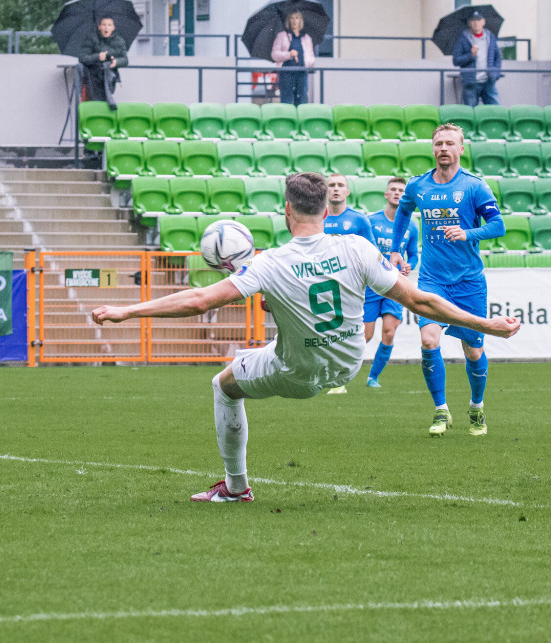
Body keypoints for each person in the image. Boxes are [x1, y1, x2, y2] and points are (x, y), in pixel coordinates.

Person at [92, 172, 519, 503]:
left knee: (224, 386)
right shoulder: (357, 248)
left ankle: (236, 487)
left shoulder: (270, 263)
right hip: (347, 365)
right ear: (326, 210)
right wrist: (486, 325)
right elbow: (421, 301)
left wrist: (127, 311)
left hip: (297, 371)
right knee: (271, 347)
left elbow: (199, 300)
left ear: (287, 210)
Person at [390, 123, 506, 437]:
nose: (443, 148)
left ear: (461, 149)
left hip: (469, 281)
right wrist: (395, 249)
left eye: (450, 143)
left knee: (473, 350)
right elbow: (403, 213)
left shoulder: (474, 186)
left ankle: (476, 407)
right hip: (432, 280)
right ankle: (441, 410)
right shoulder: (418, 185)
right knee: (429, 341)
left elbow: (498, 226)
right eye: (439, 143)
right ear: (433, 148)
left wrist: (468, 233)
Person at [321, 173, 373, 394]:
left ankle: (340, 377)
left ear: (347, 191)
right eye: (331, 185)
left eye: (340, 185)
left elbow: (371, 251)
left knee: (353, 333)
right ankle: (333, 377)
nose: (336, 188)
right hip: (323, 285)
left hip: (351, 286)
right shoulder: (317, 218)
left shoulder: (359, 220)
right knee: (326, 333)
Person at [365, 177, 419, 388]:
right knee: (365, 335)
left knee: (389, 331)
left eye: (401, 190)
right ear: (386, 194)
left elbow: (413, 255)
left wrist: (409, 265)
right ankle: (340, 374)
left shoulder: (411, 226)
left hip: (395, 284)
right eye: (393, 189)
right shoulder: (371, 221)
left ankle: (373, 377)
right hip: (371, 284)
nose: (397, 193)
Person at [452, 10, 502, 106]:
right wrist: (471, 55)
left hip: (489, 81)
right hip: (470, 83)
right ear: (469, 23)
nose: (476, 23)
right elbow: (456, 61)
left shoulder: (490, 37)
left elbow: (498, 57)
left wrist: (495, 73)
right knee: (471, 112)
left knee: (495, 110)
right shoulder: (463, 39)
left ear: (483, 22)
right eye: (473, 21)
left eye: (479, 20)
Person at [78, 17, 128, 105]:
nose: (106, 27)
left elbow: (125, 60)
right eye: (104, 25)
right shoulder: (91, 38)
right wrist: (97, 57)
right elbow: (82, 57)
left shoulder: (119, 41)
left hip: (108, 74)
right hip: (92, 75)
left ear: (113, 27)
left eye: (109, 25)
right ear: (99, 27)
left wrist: (116, 62)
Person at [271, 11, 316, 106]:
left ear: (300, 20)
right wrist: (289, 54)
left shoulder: (306, 38)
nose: (294, 20)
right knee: (286, 100)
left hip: (301, 72)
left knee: (302, 99)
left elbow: (311, 57)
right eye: (292, 18)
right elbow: (274, 54)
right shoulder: (282, 36)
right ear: (289, 20)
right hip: (286, 73)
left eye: (297, 18)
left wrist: (306, 62)